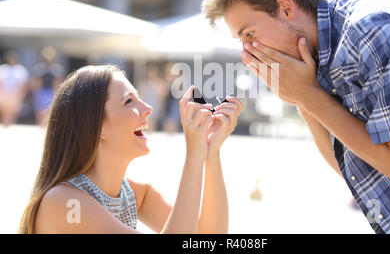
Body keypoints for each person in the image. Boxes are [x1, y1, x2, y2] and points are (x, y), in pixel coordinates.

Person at [201, 0, 390, 234]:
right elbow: (355, 170)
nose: (248, 52)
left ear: (285, 8)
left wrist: (306, 95)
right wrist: (301, 97)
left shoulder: (372, 28)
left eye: (249, 34)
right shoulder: (324, 50)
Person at [19, 65, 243, 233]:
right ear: (97, 126)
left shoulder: (134, 195)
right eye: (129, 102)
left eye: (140, 98)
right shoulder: (65, 203)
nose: (147, 108)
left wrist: (210, 153)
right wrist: (193, 155)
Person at [31, 46, 64, 126]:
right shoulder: (40, 68)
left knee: (49, 113)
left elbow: (58, 82)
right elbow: (36, 82)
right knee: (40, 113)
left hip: (51, 93)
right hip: (42, 92)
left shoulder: (56, 69)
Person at [0, 50, 29, 127]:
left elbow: (23, 84)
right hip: (4, 94)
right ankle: (5, 126)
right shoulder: (3, 69)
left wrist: (21, 94)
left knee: (13, 112)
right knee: (5, 111)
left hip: (16, 95)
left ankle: (9, 126)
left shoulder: (21, 70)